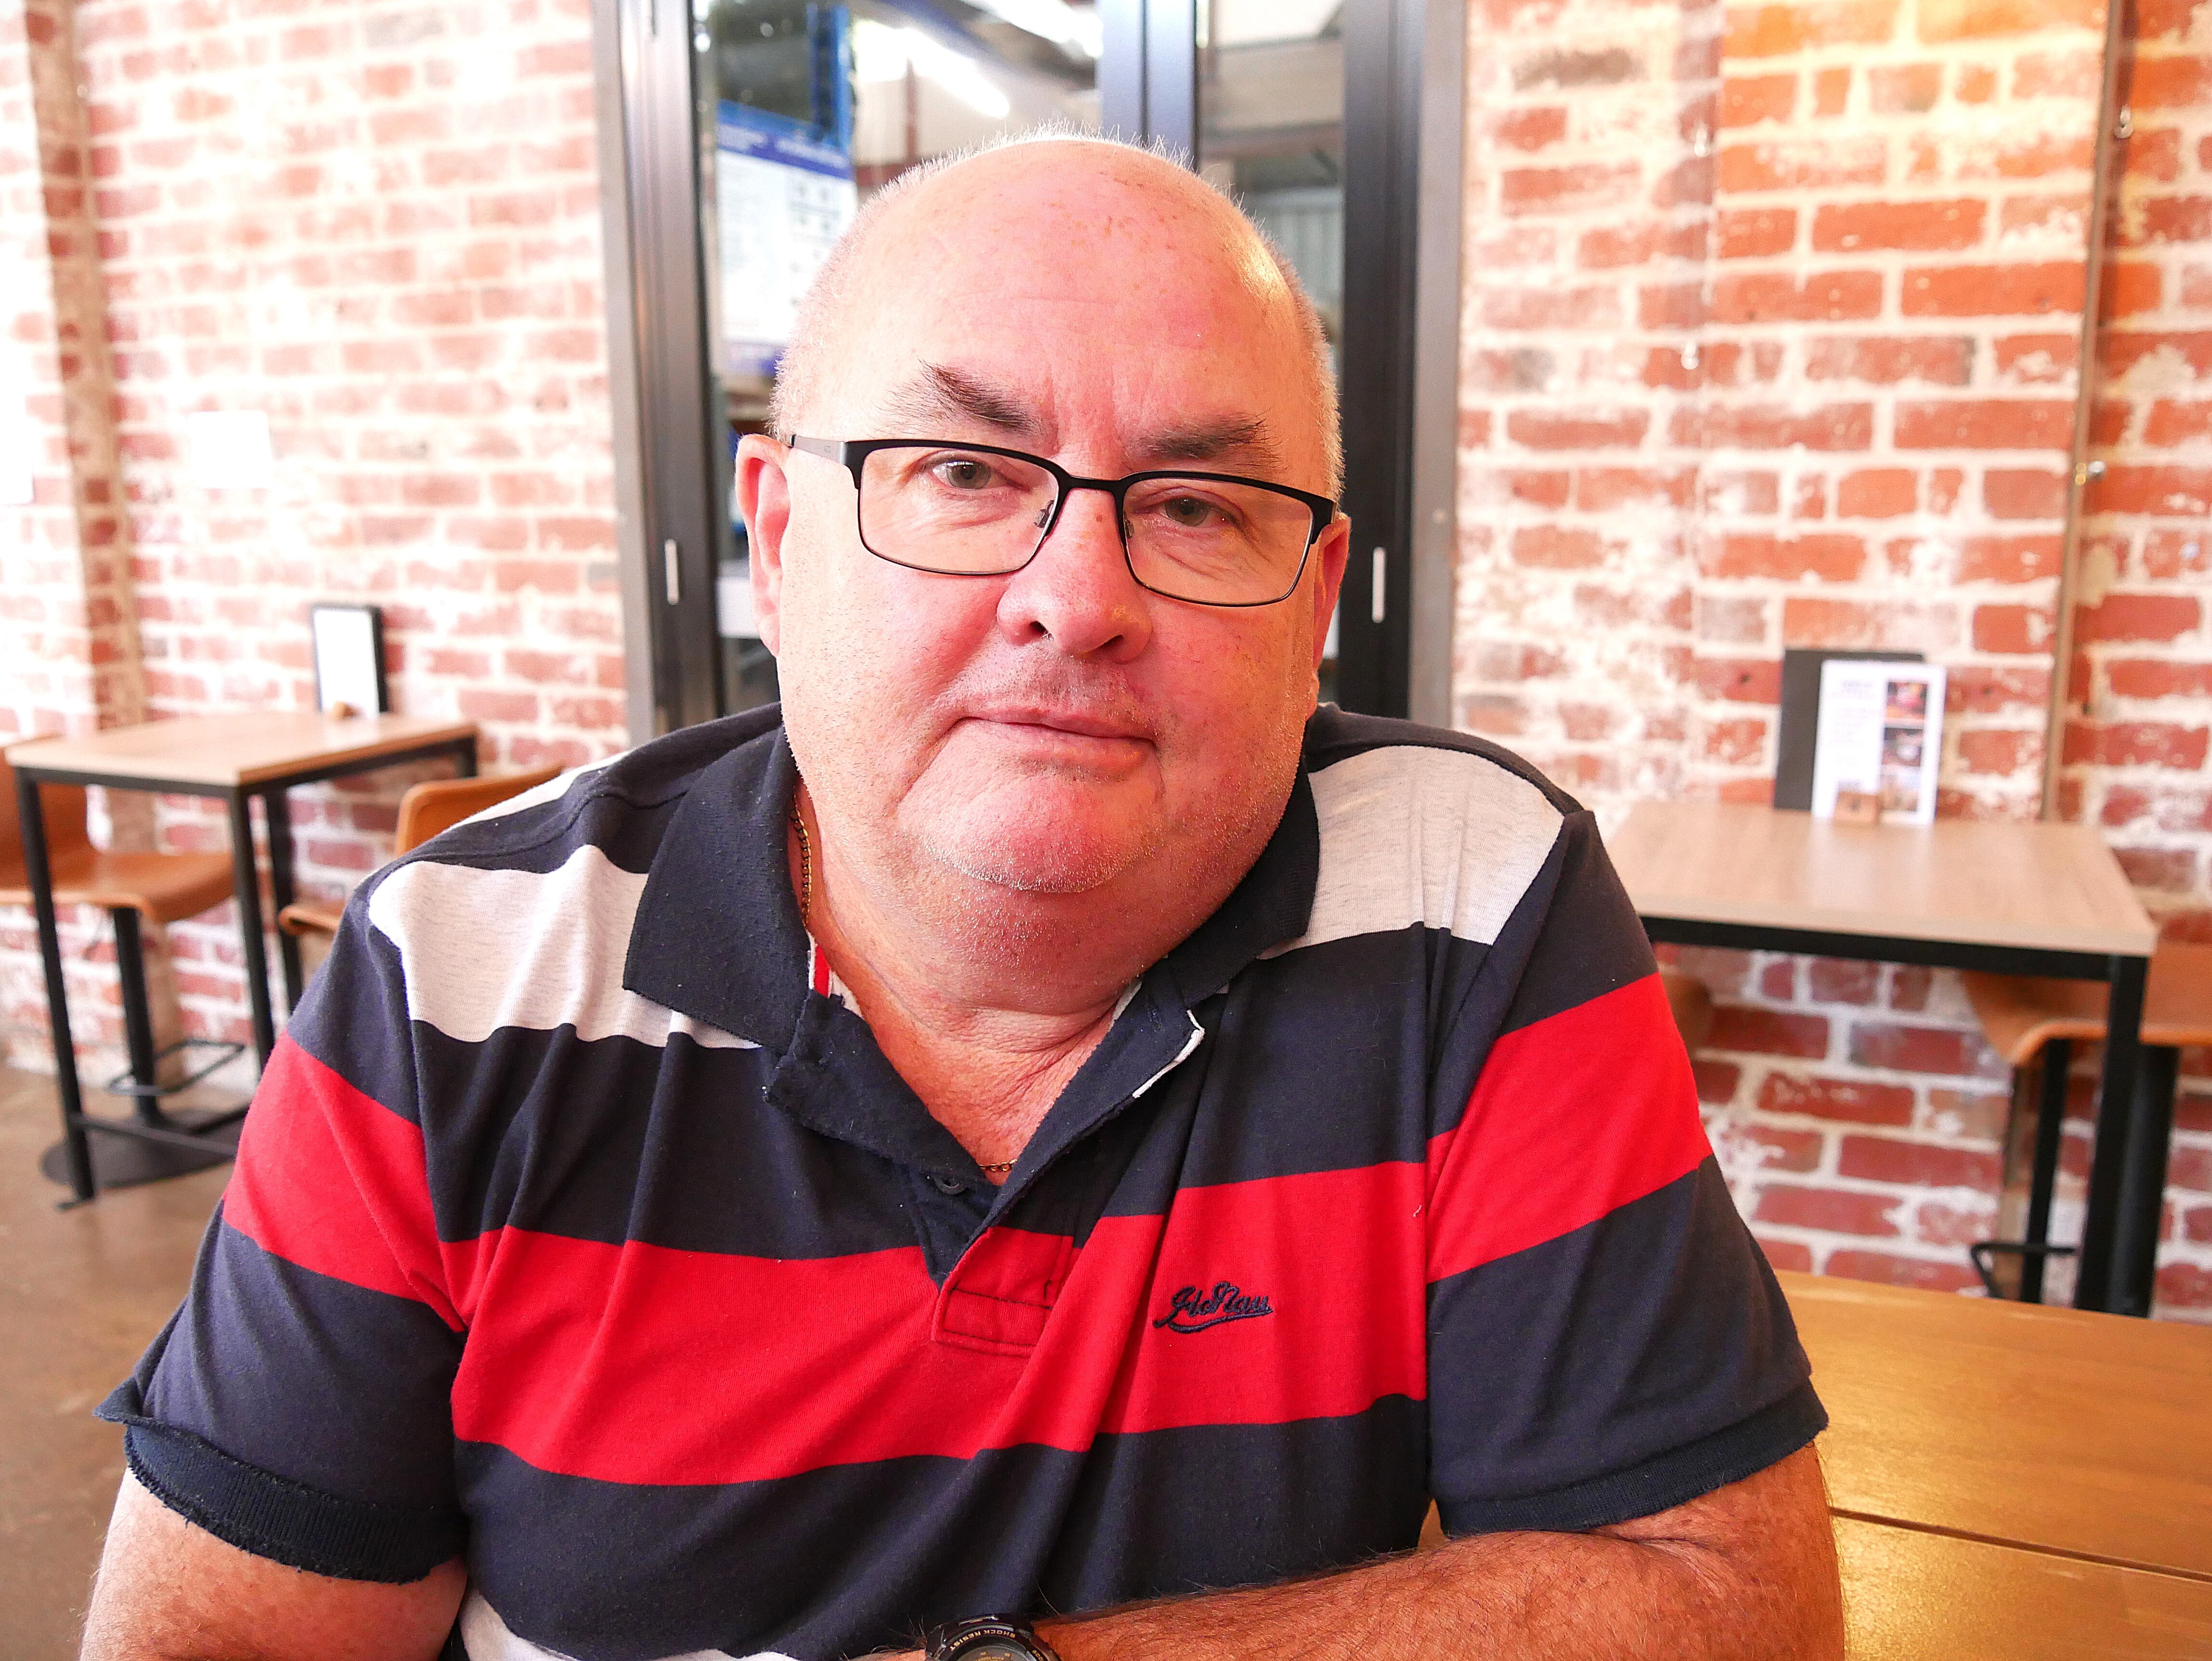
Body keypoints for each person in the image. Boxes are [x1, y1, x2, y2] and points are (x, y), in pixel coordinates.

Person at [80, 137, 1843, 1661]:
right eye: (964, 474)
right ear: (779, 541)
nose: (1079, 599)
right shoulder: (454, 979)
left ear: (1316, 608)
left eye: (1199, 506)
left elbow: (1719, 1598)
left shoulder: (1475, 898)